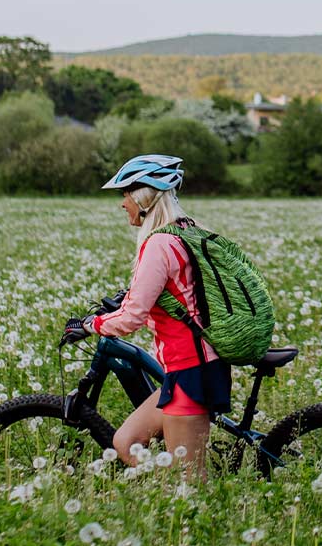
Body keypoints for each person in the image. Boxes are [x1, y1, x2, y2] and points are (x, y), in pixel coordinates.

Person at [68, 153, 232, 478]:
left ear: (144, 197)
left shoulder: (159, 244)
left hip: (191, 367)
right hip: (193, 364)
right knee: (126, 442)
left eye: (125, 194)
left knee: (189, 481)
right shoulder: (188, 230)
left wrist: (91, 325)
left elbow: (132, 318)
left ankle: (183, 497)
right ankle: (164, 489)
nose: (122, 203)